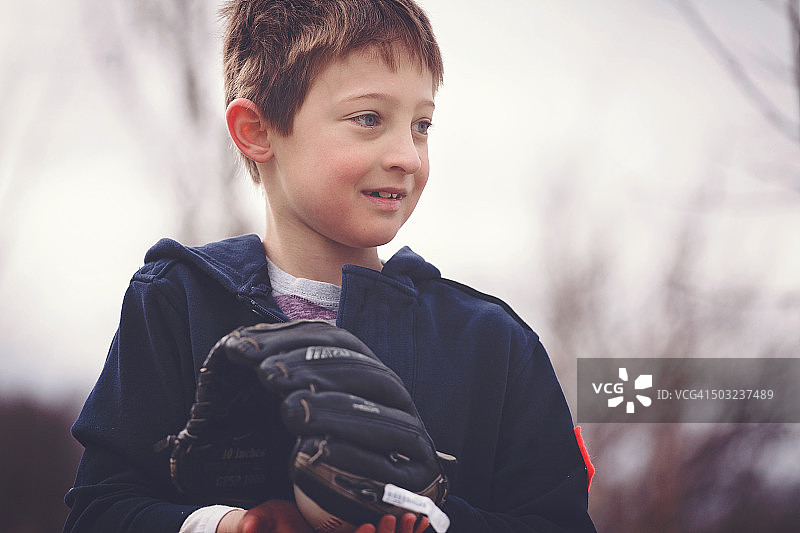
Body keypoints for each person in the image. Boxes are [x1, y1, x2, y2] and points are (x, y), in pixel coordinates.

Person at [64, 0, 597, 532]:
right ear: (258, 130)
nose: (408, 156)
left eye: (421, 125)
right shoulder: (175, 303)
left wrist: (435, 520)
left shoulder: (493, 343)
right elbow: (99, 510)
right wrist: (227, 526)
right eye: (368, 118)